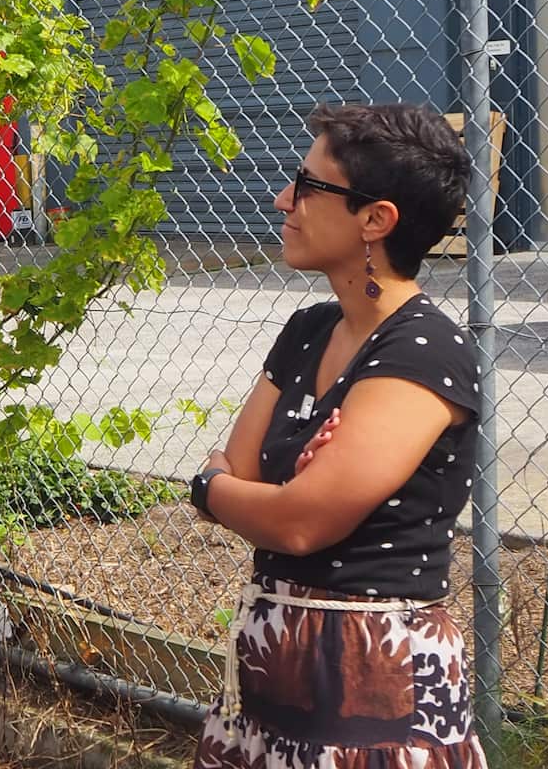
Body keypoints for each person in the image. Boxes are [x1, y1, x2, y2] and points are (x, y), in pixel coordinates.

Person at [189, 103, 487, 768]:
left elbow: (296, 522)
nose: (282, 200)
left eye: (308, 186)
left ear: (375, 220)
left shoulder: (426, 352)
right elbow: (254, 476)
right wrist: (256, 489)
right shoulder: (307, 331)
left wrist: (211, 489)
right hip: (269, 675)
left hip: (371, 687)